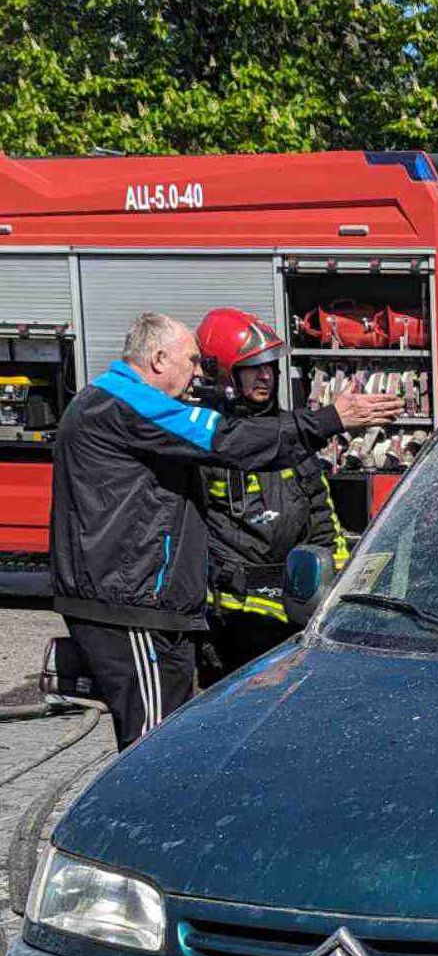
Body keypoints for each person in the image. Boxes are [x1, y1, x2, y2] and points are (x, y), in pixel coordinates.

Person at [49, 312, 402, 748]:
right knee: (157, 750)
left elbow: (317, 516)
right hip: (134, 606)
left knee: (171, 740)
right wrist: (328, 419)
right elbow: (224, 440)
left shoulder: (114, 402)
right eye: (193, 361)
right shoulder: (126, 400)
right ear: (159, 359)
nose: (200, 372)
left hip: (149, 605)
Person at [195, 309, 351, 683]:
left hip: (295, 614)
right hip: (232, 619)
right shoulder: (206, 441)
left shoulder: (292, 437)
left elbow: (324, 523)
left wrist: (339, 590)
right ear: (224, 375)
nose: (266, 375)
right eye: (253, 368)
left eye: (269, 367)